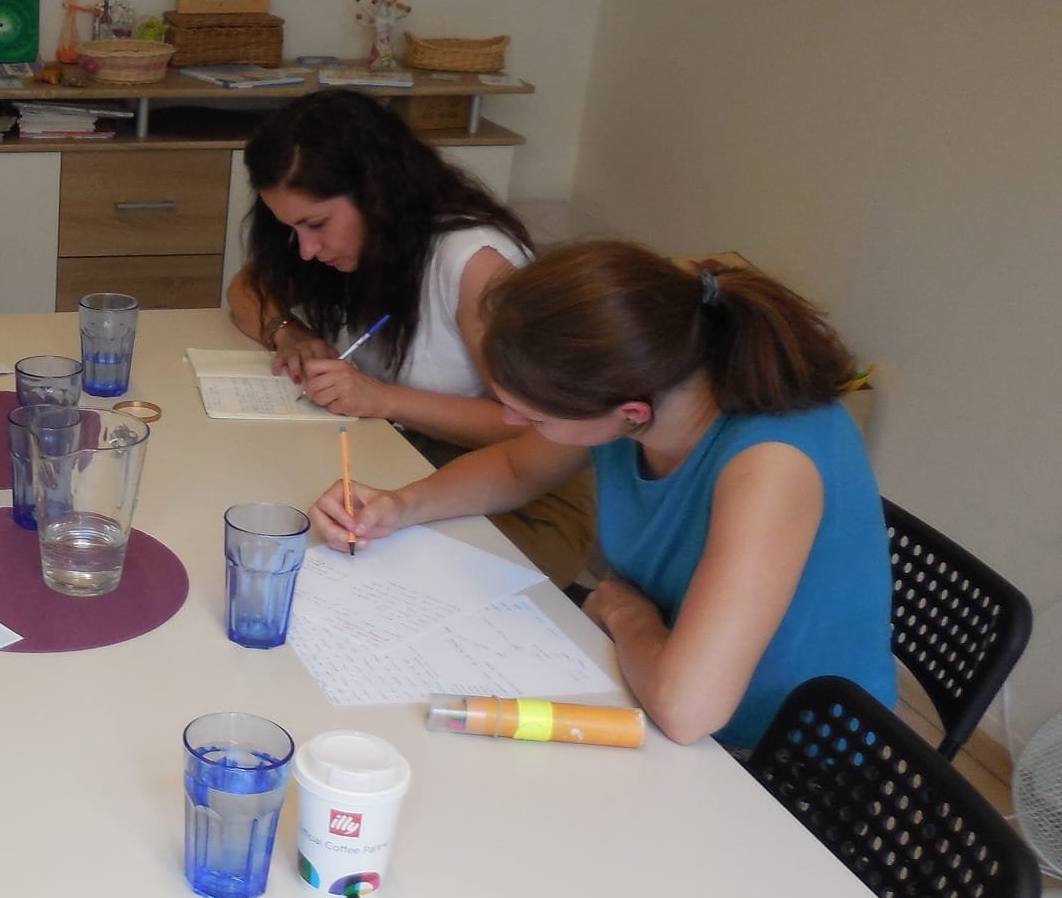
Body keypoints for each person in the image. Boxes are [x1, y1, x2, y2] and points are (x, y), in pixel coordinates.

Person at [308, 241, 892, 752]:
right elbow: (516, 466)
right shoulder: (644, 388)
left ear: (630, 414)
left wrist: (622, 610)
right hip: (655, 687)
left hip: (785, 761)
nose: (510, 422)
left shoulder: (769, 466)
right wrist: (399, 507)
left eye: (533, 415)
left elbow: (688, 710)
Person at [224, 90, 592, 584]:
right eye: (292, 229)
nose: (307, 250)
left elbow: (535, 430)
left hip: (520, 498)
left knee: (344, 576)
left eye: (316, 224)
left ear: (375, 192)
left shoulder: (474, 263)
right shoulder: (355, 244)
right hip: (409, 464)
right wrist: (289, 333)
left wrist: (384, 399)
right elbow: (247, 290)